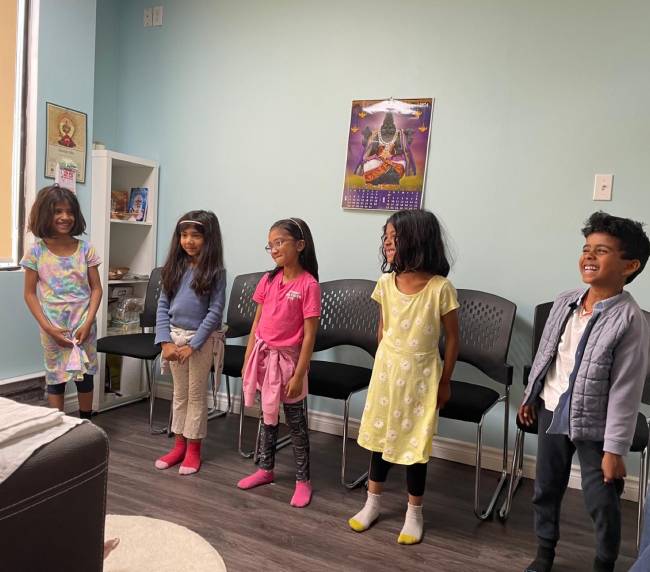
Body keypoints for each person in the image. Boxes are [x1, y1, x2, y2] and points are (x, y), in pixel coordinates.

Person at [519, 212, 650, 572]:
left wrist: (615, 449)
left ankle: (604, 562)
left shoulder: (630, 320)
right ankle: (544, 553)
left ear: (630, 265)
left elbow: (626, 390)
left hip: (597, 425)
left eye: (602, 250)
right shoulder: (565, 302)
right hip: (552, 409)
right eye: (586, 248)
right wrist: (531, 396)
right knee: (546, 488)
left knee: (601, 501)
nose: (589, 256)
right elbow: (547, 354)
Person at [348, 208, 460, 545]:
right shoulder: (385, 283)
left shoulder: (440, 288)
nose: (387, 244)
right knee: (380, 440)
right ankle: (372, 503)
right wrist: (384, 366)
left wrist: (445, 382)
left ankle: (414, 513)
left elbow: (453, 339)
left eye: (394, 238)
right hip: (386, 377)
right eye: (385, 238)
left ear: (417, 241)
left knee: (414, 446)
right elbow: (383, 330)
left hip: (421, 380)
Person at [236, 218, 320, 508]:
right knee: (267, 417)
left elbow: (310, 336)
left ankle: (303, 481)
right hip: (263, 359)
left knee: (296, 424)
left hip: (289, 363)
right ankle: (265, 468)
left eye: (280, 242)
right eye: (270, 245)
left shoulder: (309, 285)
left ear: (300, 244)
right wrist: (248, 358)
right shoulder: (268, 280)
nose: (274, 249)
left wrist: (299, 374)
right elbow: (257, 322)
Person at [154, 210, 226, 475]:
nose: (189, 241)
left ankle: (194, 449)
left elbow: (215, 312)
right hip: (174, 339)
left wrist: (193, 345)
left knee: (196, 395)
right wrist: (165, 342)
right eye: (184, 235)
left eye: (196, 235)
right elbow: (162, 306)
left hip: (200, 342)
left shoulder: (216, 272)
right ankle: (179, 445)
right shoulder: (173, 269)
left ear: (209, 239)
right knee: (179, 394)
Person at [21, 185, 102, 418]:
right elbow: (29, 294)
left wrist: (88, 321)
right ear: (45, 214)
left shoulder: (86, 249)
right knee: (55, 377)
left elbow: (97, 289)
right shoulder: (36, 252)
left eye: (70, 212)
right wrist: (48, 327)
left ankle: (86, 424)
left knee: (85, 375)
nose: (65, 217)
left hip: (83, 325)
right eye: (58, 211)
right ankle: (58, 427)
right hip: (53, 327)